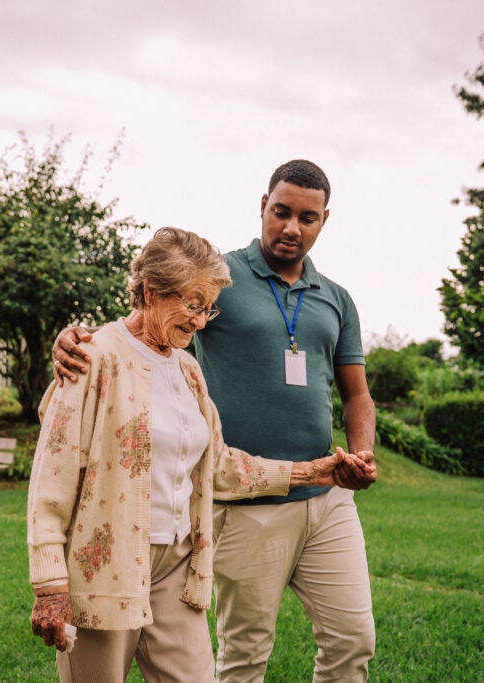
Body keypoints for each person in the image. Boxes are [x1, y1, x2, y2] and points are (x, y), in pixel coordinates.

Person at [53, 160, 378, 682]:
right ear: (263, 206)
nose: (292, 227)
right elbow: (146, 319)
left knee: (355, 639)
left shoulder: (337, 299)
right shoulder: (220, 277)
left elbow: (357, 394)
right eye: (282, 212)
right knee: (245, 651)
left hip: (325, 494)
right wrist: (75, 337)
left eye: (308, 217)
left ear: (324, 221)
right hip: (245, 502)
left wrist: (360, 454)